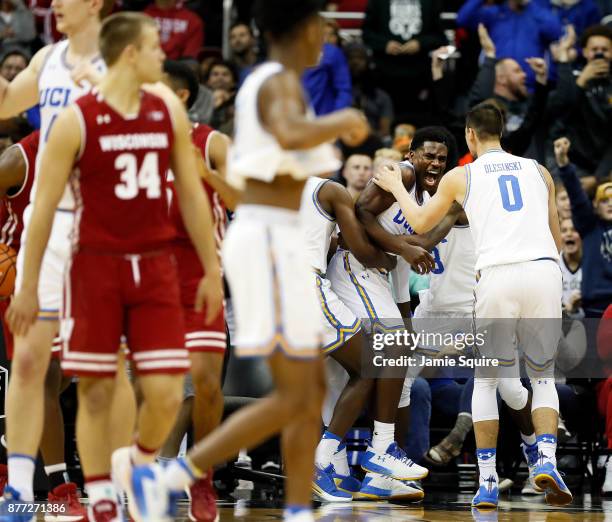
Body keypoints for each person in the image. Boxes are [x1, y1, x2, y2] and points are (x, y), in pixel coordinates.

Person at [129, 1, 370, 520]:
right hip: (258, 258)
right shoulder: (270, 84)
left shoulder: (259, 93)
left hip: (245, 254)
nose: (322, 43)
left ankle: (241, 488)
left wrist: (210, 176)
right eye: (317, 32)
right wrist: (339, 121)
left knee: (285, 395)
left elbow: (244, 189)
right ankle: (179, 472)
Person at [7, 12, 223, 520]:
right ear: (131, 54)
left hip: (155, 264)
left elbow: (192, 194)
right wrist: (29, 282)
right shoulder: (74, 115)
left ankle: (137, 463)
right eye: (154, 49)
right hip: (94, 259)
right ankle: (89, 490)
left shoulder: (167, 108)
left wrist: (212, 267)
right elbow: (42, 210)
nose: (163, 58)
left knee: (168, 388)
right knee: (90, 382)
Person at [372, 102, 571, 509]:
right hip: (544, 272)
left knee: (485, 382)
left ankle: (486, 480)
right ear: (503, 131)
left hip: (497, 276)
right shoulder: (539, 171)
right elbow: (554, 237)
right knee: (543, 378)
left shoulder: (462, 175)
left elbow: (421, 224)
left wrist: (394, 186)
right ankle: (546, 457)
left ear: (469, 135)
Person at [0, 0, 137, 519]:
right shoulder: (48, 57)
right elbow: (7, 102)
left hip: (104, 226)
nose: (55, 2)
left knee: (110, 370)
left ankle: (116, 488)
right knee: (29, 361)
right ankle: (18, 488)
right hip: (49, 221)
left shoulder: (124, 54)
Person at [303, 175, 429, 502]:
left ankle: (340, 469)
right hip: (305, 284)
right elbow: (360, 248)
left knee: (340, 373)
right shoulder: (329, 190)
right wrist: (394, 255)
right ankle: (364, 452)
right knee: (374, 362)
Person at [162, 59, 236, 522]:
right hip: (145, 273)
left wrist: (205, 175)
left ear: (182, 95)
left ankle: (200, 479)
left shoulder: (211, 141)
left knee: (206, 384)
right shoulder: (131, 144)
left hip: (200, 275)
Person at [554, 137, 612, 318]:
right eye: (604, 200)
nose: (610, 204)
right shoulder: (589, 227)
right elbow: (576, 195)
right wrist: (563, 164)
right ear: (594, 205)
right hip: (595, 307)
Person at [457, 0, 563, 87]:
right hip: (497, 85)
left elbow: (556, 31)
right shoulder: (495, 13)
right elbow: (463, 19)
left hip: (529, 86)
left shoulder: (537, 13)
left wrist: (530, 4)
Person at [302, 41, 352, 116]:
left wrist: (335, 118)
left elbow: (344, 90)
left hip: (322, 117)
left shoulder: (330, 53)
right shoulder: (287, 52)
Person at [559, 217, 583, 318]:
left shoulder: (591, 263)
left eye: (574, 230)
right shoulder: (554, 264)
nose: (569, 234)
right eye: (564, 231)